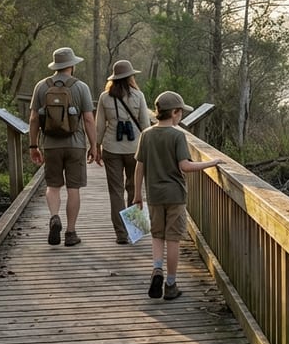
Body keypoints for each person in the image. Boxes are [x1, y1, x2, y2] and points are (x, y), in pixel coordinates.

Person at [133, 91, 221, 300]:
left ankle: (156, 269)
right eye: (180, 112)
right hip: (175, 195)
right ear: (174, 113)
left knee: (157, 236)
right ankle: (170, 284)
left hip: (153, 195)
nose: (181, 116)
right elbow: (185, 166)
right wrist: (211, 163)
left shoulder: (146, 134)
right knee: (173, 240)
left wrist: (138, 194)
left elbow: (139, 167)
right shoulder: (177, 135)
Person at [28, 47, 98, 247]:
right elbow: (88, 119)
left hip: (50, 144)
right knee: (73, 188)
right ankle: (70, 232)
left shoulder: (41, 86)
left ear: (56, 65)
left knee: (53, 186)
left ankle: (54, 216)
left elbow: (33, 118)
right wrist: (93, 145)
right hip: (75, 145)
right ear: (71, 65)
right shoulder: (81, 87)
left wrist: (33, 145)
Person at [94, 59, 151, 244]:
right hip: (135, 149)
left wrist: (95, 146)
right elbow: (145, 125)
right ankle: (134, 230)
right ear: (130, 77)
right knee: (134, 188)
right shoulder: (138, 96)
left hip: (111, 148)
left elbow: (100, 126)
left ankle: (120, 233)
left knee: (115, 191)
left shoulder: (104, 97)